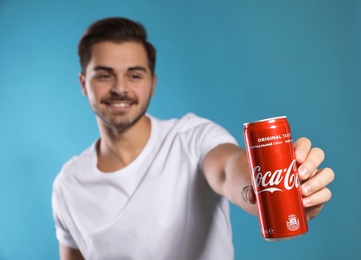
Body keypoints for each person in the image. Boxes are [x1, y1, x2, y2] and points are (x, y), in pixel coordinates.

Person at [52, 17, 335, 260]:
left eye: (134, 75)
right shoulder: (67, 185)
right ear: (83, 83)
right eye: (104, 75)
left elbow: (229, 171)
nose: (120, 88)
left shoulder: (193, 138)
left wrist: (270, 189)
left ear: (152, 83)